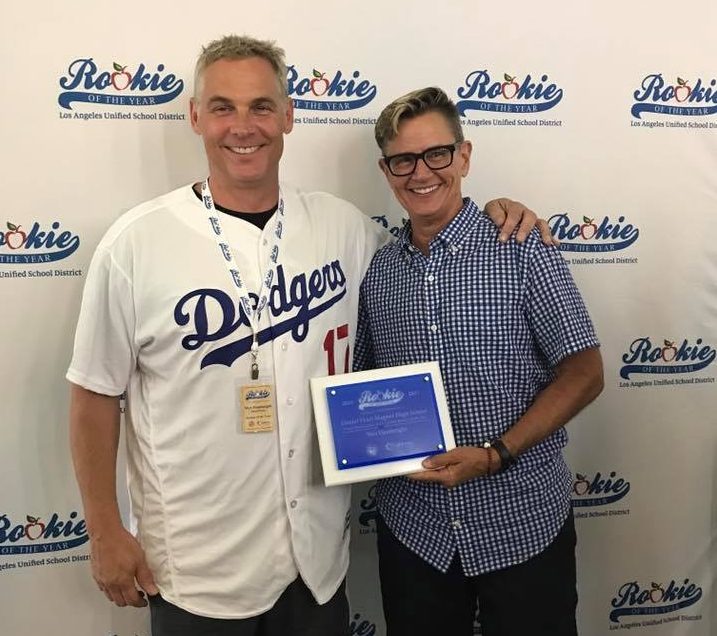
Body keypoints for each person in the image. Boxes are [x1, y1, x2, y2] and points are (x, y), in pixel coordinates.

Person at [67, 36, 548, 635]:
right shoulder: (135, 243)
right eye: (223, 107)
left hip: (316, 564)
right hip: (195, 568)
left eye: (261, 106)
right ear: (195, 116)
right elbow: (93, 394)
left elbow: (426, 243)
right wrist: (105, 528)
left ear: (289, 116)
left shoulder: (342, 228)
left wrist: (498, 212)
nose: (243, 126)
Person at [353, 86, 604, 636]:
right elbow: (363, 390)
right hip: (416, 533)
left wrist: (496, 454)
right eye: (403, 160)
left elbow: (585, 373)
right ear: (386, 170)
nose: (421, 172)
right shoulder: (378, 274)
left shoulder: (521, 245)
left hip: (522, 522)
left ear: (463, 156)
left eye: (437, 154)